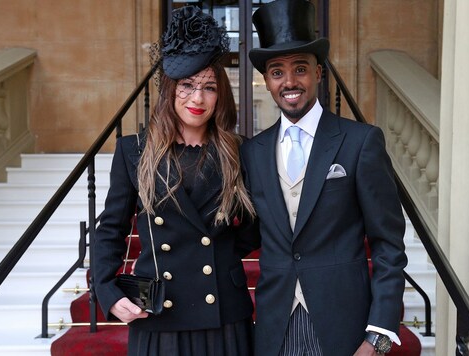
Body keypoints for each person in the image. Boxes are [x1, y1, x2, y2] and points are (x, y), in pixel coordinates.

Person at [241, 0, 408, 355]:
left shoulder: (360, 142)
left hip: (344, 325)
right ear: (267, 81)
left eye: (300, 69)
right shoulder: (252, 153)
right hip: (274, 326)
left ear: (318, 73)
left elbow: (388, 244)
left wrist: (378, 334)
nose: (289, 82)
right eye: (277, 72)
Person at [93, 6, 257, 355]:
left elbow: (253, 230)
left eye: (209, 87)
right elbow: (110, 230)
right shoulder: (133, 152)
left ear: (220, 95)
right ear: (169, 89)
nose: (197, 98)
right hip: (160, 316)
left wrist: (219, 253)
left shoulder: (239, 152)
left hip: (223, 314)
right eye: (187, 85)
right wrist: (108, 292)